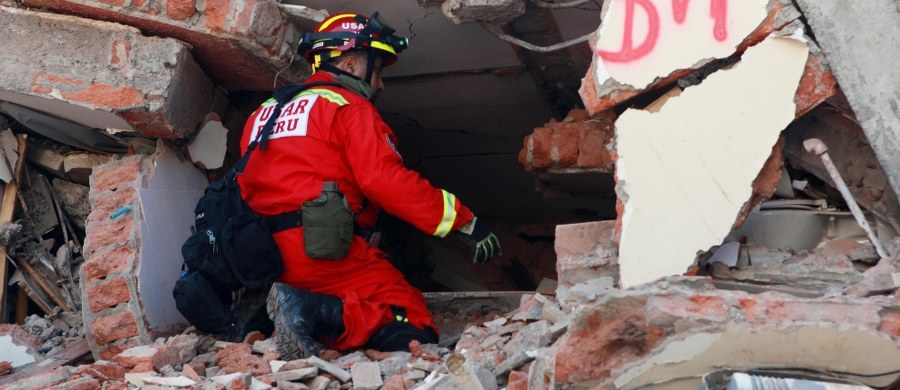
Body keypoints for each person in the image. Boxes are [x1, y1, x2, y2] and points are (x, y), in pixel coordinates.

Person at [236, 11, 502, 359]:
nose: (380, 84)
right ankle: (309, 309)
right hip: (323, 255)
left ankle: (275, 316)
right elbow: (384, 180)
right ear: (349, 64)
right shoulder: (349, 107)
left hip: (262, 257)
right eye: (376, 71)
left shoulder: (262, 114)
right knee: (411, 317)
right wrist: (462, 220)